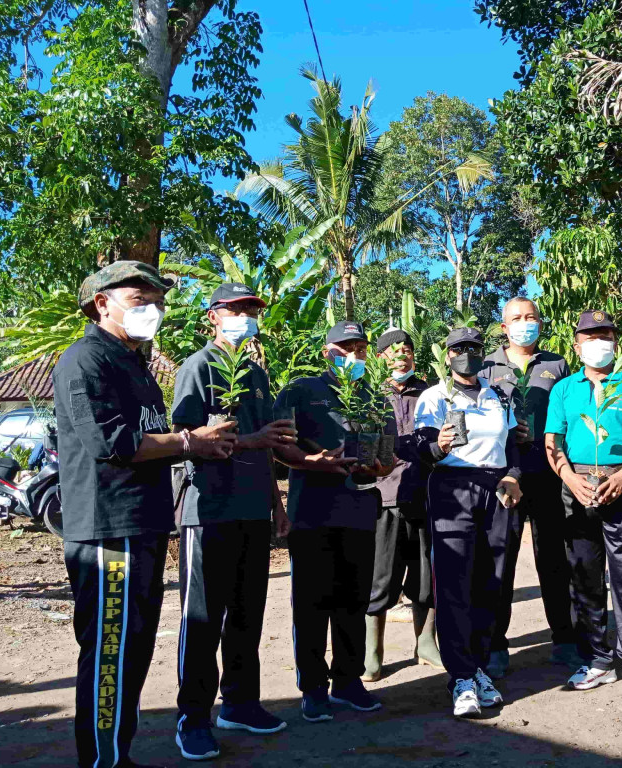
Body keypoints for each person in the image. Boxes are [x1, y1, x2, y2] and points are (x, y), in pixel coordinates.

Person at [54, 261, 236, 768]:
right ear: (101, 303)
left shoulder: (134, 363)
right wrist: (188, 441)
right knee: (110, 650)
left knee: (132, 648)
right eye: (140, 300)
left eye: (158, 300)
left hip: (146, 523)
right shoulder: (86, 360)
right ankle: (103, 761)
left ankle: (118, 753)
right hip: (111, 527)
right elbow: (110, 442)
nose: (152, 310)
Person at [170, 283, 298, 761]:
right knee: (202, 619)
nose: (246, 315)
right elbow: (187, 441)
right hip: (207, 512)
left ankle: (240, 703)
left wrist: (277, 506)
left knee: (247, 614)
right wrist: (250, 439)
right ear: (213, 316)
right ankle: (192, 716)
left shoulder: (255, 373)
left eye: (251, 308)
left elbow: (266, 445)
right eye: (237, 308)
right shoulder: (198, 368)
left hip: (250, 511)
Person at [272, 321, 393, 722]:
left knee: (353, 602)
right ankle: (312, 688)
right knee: (311, 604)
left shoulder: (374, 397)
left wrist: (380, 467)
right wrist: (312, 463)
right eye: (345, 347)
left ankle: (348, 681)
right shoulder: (301, 391)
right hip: (313, 515)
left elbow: (388, 455)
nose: (354, 354)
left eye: (360, 347)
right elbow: (279, 446)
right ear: (328, 352)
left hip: (358, 513)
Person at [544, 310, 622, 701]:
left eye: (606, 334)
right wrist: (568, 478)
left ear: (616, 341)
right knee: (584, 578)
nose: (599, 342)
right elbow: (553, 443)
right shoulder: (564, 390)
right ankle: (597, 659)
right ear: (576, 345)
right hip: (577, 484)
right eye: (590, 336)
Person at [413, 327, 523, 718]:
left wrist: (513, 476)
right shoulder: (435, 396)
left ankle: (478, 668)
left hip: (495, 490)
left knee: (490, 582)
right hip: (451, 488)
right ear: (447, 356)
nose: (467, 354)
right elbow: (421, 449)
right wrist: (436, 446)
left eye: (474, 348)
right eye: (459, 349)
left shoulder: (499, 396)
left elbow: (511, 448)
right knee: (455, 584)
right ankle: (459, 675)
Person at [481, 297, 579, 679]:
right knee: (499, 560)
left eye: (531, 317)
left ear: (540, 322)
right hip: (504, 476)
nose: (525, 323)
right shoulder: (487, 364)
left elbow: (571, 414)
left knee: (555, 559)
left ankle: (565, 640)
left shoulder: (556, 364)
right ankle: (495, 645)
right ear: (503, 327)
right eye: (516, 319)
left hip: (549, 473)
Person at [363, 329, 443, 681]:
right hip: (384, 499)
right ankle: (373, 651)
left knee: (427, 578)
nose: (402, 357)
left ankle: (426, 642)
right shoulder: (366, 397)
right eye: (395, 351)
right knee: (380, 578)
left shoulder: (431, 393)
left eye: (408, 350)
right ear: (380, 358)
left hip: (425, 496)